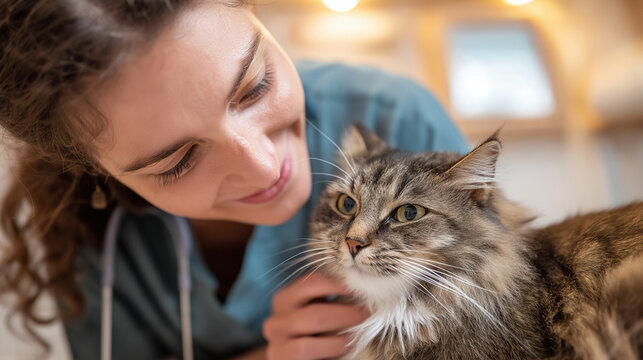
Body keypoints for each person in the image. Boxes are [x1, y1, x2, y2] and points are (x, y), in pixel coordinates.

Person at [0, 0, 468, 359]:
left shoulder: (399, 121)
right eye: (177, 161)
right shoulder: (81, 224)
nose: (265, 168)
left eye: (255, 86)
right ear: (96, 171)